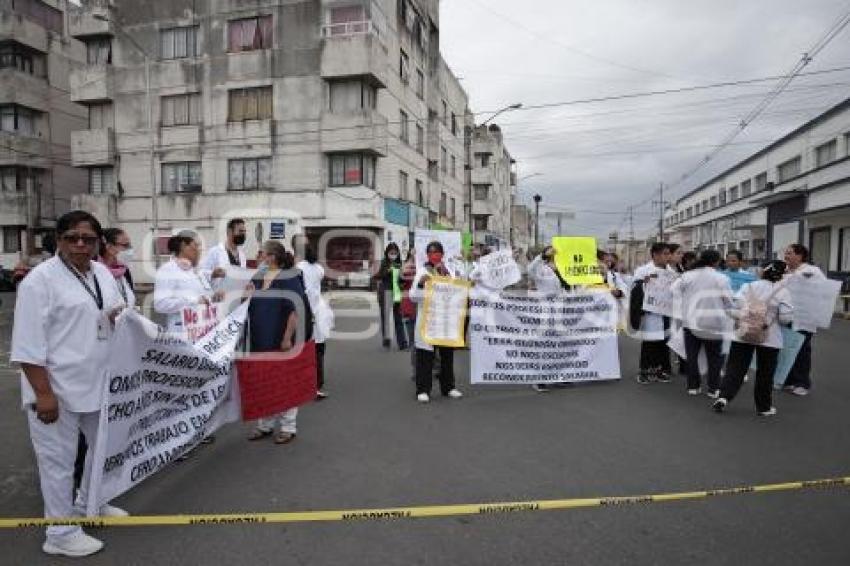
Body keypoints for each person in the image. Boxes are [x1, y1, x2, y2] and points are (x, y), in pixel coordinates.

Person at [11, 210, 128, 558]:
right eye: (72, 238)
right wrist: (43, 394)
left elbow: (114, 310)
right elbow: (28, 343)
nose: (80, 244)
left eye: (88, 239)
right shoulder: (40, 280)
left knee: (104, 449)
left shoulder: (103, 273)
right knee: (58, 462)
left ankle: (88, 503)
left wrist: (115, 317)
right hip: (55, 388)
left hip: (97, 382)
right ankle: (60, 532)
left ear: (98, 243)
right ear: (59, 241)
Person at [247, 241, 314, 443]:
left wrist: (287, 337)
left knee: (284, 382)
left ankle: (287, 427)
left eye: (262, 254)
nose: (259, 257)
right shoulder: (258, 276)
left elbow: (295, 309)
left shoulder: (289, 277)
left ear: (272, 257)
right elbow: (248, 302)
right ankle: (265, 425)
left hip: (280, 339)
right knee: (264, 383)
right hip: (260, 340)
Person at [713, 260, 793, 416]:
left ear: (763, 271)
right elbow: (785, 319)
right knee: (765, 373)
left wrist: (743, 318)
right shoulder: (783, 292)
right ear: (782, 275)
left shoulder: (748, 287)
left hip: (743, 334)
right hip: (770, 338)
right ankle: (763, 407)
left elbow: (733, 309)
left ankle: (723, 397)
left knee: (735, 368)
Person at [671, 250, 734, 397]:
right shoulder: (721, 278)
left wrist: (684, 305)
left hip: (690, 322)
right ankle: (713, 388)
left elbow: (673, 291)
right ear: (716, 262)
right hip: (714, 322)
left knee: (691, 357)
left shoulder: (687, 276)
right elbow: (729, 301)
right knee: (715, 358)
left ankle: (693, 387)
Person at [409, 241, 464, 403]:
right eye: (431, 252)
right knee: (425, 356)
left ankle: (449, 387)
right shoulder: (422, 272)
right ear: (427, 255)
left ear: (442, 254)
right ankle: (423, 389)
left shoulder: (449, 272)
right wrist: (420, 284)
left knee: (447, 356)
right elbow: (413, 296)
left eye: (438, 252)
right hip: (428, 320)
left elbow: (457, 292)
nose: (435, 255)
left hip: (445, 321)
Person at [153, 231, 221, 335]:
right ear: (184, 246)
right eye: (196, 246)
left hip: (202, 331)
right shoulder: (168, 270)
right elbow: (160, 304)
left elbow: (203, 296)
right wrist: (193, 302)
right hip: (181, 334)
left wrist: (213, 298)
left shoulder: (195, 272)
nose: (199, 251)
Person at [782, 244, 826, 396]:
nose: (786, 256)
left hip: (804, 318)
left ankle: (802, 383)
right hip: (787, 316)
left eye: (789, 253)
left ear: (800, 256)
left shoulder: (811, 270)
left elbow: (818, 285)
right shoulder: (786, 271)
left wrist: (791, 275)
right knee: (787, 349)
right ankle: (789, 380)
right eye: (785, 253)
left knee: (801, 350)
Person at [527, 245, 571, 392]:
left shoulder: (563, 269)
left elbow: (568, 289)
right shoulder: (540, 267)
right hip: (544, 311)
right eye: (550, 252)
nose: (553, 253)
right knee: (544, 345)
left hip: (560, 311)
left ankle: (558, 377)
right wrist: (542, 256)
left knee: (558, 345)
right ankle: (539, 380)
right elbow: (530, 270)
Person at [632, 243, 673, 384]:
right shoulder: (643, 271)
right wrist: (644, 283)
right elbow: (635, 289)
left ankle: (660, 370)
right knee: (649, 343)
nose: (668, 256)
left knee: (663, 342)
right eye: (665, 253)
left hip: (665, 312)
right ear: (655, 254)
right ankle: (644, 371)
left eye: (669, 254)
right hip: (650, 313)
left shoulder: (670, 271)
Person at [296, 244, 329, 400]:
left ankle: (304, 383)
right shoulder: (319, 269)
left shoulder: (299, 268)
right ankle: (317, 383)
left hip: (304, 310)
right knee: (319, 349)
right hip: (319, 310)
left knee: (305, 348)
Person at [374, 243, 407, 350]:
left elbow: (403, 279)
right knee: (386, 318)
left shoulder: (399, 263)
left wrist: (402, 276)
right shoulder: (384, 263)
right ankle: (386, 339)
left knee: (398, 318)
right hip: (385, 292)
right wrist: (387, 271)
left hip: (396, 292)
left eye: (395, 253)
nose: (393, 255)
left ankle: (402, 343)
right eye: (391, 253)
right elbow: (377, 276)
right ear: (387, 253)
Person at [200, 218, 248, 288]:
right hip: (218, 296)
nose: (243, 234)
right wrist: (213, 274)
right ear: (229, 232)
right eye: (240, 231)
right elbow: (201, 274)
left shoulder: (242, 256)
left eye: (244, 232)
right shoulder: (215, 252)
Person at [99, 228, 136, 308]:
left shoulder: (124, 272)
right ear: (109, 247)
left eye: (130, 245)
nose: (130, 249)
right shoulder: (96, 273)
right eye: (125, 245)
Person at [400, 248, 419, 378]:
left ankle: (433, 366)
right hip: (410, 308)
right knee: (414, 342)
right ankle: (416, 370)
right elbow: (401, 280)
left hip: (427, 309)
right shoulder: (407, 267)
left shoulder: (429, 267)